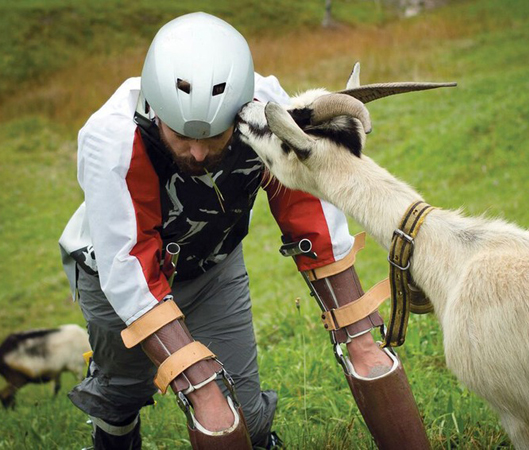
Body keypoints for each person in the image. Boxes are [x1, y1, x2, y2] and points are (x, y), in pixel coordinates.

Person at [59, 11, 429, 450]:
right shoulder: (110, 138)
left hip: (214, 268)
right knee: (125, 394)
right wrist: (194, 377)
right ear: (156, 108)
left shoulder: (263, 109)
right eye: (181, 135)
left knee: (238, 417)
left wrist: (358, 334)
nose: (197, 152)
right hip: (113, 279)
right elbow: (128, 264)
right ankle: (113, 436)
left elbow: (305, 204)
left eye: (214, 136)